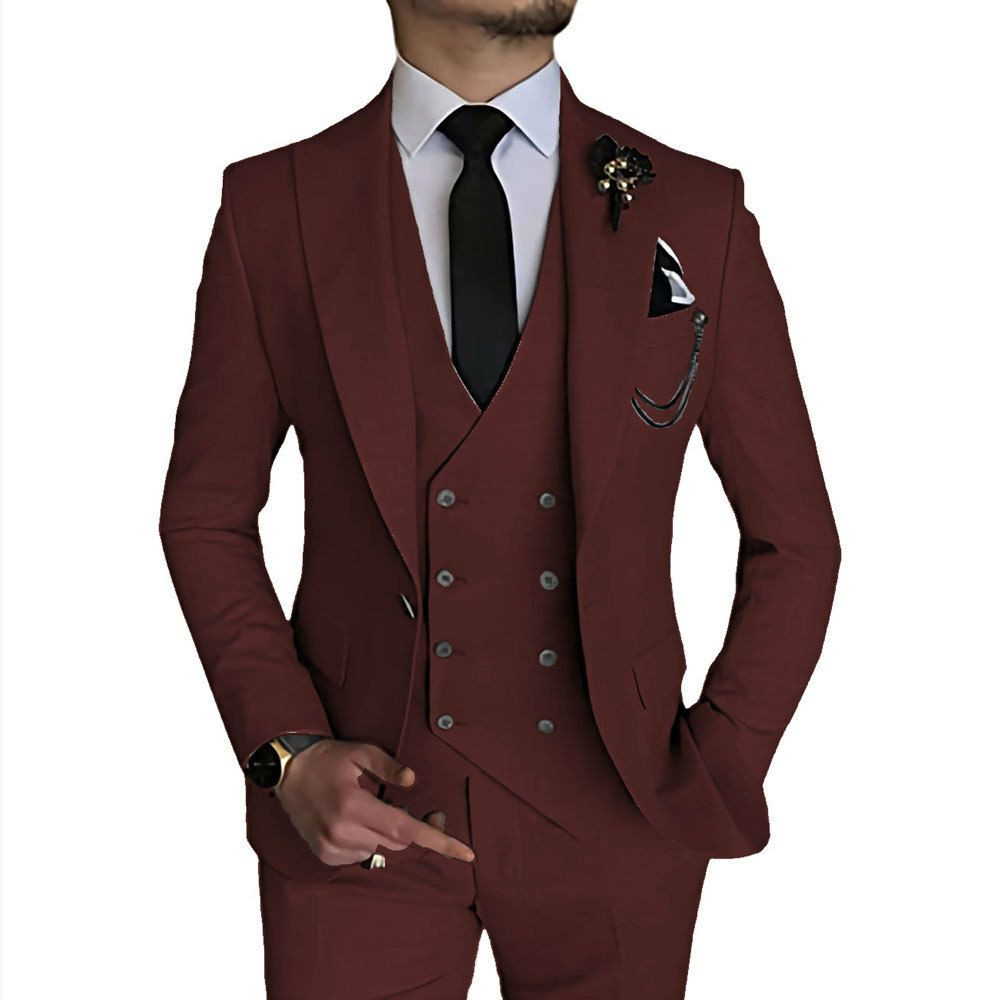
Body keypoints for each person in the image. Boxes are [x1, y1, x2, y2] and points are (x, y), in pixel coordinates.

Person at [160, 1, 840, 996]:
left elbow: (795, 538)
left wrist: (718, 763)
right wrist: (286, 753)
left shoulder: (694, 207)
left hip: (622, 822)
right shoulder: (275, 208)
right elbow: (206, 515)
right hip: (355, 822)